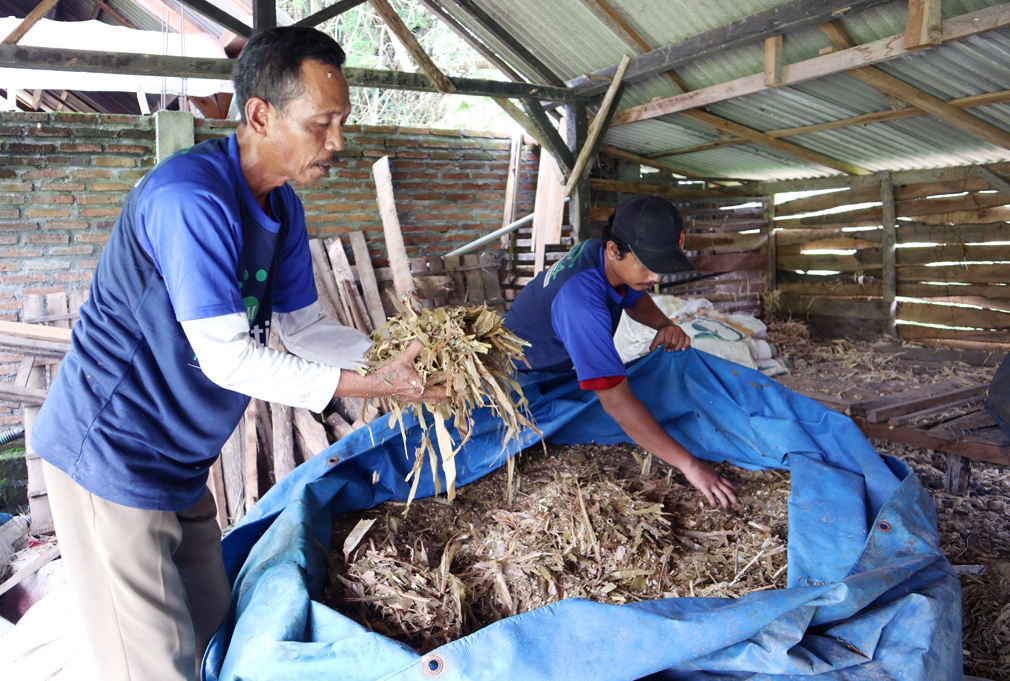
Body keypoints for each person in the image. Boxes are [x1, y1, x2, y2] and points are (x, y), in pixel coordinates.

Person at [30, 27, 440, 681]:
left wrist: (395, 357)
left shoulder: (280, 206)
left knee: (215, 620)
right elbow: (228, 360)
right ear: (259, 114)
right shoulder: (190, 199)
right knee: (152, 664)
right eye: (323, 123)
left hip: (177, 461)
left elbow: (305, 329)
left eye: (343, 122)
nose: (337, 142)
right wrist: (375, 386)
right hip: (110, 458)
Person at [503, 195, 738, 508]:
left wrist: (663, 324)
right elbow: (616, 403)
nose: (655, 279)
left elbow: (630, 292)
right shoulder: (581, 307)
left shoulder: (599, 252)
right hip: (522, 381)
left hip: (551, 361)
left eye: (660, 268)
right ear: (614, 250)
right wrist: (690, 465)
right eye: (646, 266)